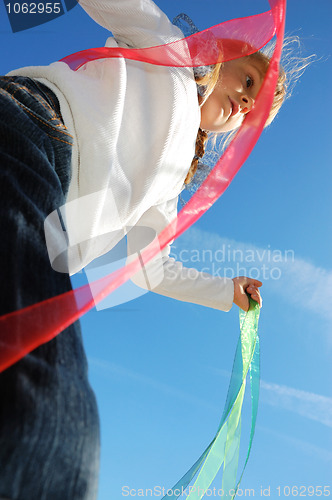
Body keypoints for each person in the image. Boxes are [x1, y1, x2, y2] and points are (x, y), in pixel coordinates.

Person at [0, 0, 286, 498]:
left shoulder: (170, 189)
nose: (244, 103)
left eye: (253, 110)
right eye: (247, 82)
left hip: (48, 229)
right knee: (47, 403)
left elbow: (149, 269)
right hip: (32, 127)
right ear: (220, 54)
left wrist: (228, 292)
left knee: (65, 424)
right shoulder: (165, 47)